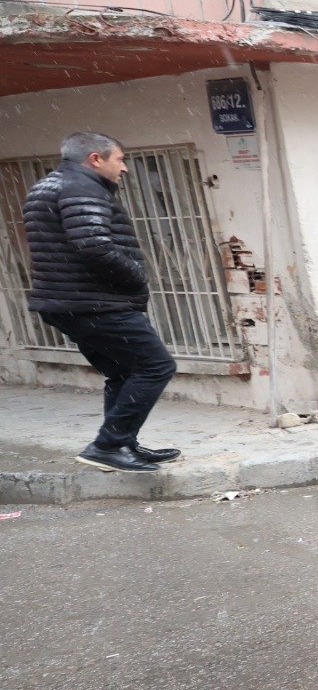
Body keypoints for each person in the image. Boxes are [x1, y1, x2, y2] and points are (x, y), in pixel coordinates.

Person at [22, 132, 182, 473]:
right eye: (120, 160)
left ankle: (122, 444)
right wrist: (136, 276)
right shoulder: (81, 188)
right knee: (157, 365)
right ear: (95, 159)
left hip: (69, 302)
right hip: (95, 303)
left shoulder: (47, 186)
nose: (124, 169)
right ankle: (108, 445)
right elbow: (94, 245)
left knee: (122, 371)